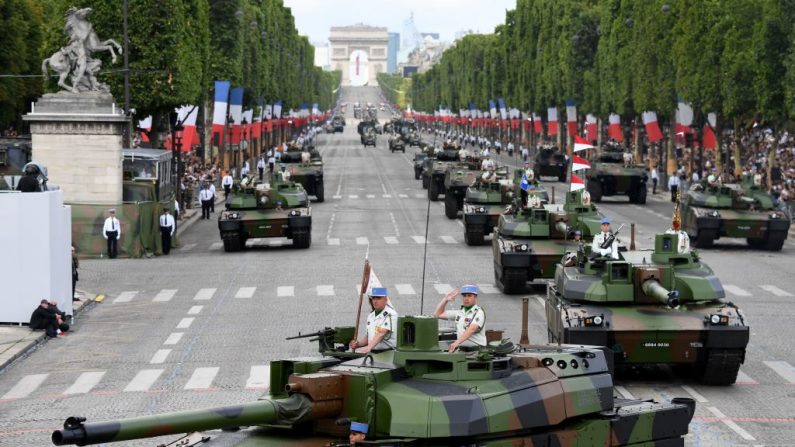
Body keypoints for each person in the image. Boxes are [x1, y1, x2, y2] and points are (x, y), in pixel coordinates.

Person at [434, 285, 487, 352]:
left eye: (469, 296)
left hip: (477, 349)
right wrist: (445, 299)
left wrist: (457, 342)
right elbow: (437, 314)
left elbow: (472, 329)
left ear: (475, 297)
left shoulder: (479, 312)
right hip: (463, 349)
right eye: (464, 296)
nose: (466, 298)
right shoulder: (460, 312)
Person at [349, 287, 398, 354]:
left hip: (387, 353)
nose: (375, 301)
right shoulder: (371, 315)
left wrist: (368, 347)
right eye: (373, 298)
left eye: (378, 298)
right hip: (373, 353)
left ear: (385, 300)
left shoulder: (391, 314)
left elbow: (381, 333)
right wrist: (358, 344)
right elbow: (370, 336)